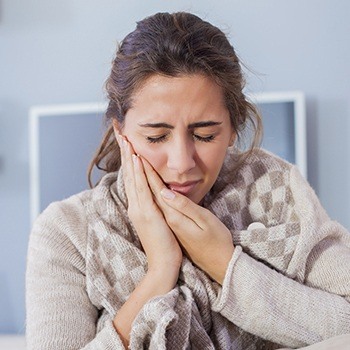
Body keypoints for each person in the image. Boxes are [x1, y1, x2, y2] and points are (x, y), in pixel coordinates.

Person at [26, 11, 350, 350]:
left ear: (232, 130)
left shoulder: (275, 193)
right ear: (120, 132)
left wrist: (225, 265)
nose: (181, 164)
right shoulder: (68, 230)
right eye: (155, 137)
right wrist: (160, 271)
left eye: (206, 135)